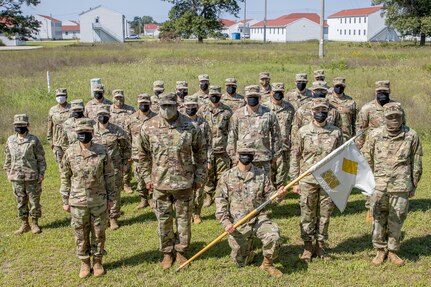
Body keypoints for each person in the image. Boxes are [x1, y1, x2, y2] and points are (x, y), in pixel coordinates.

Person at [136, 92, 207, 270]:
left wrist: (200, 177)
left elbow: (201, 153)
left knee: (183, 219)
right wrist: (146, 177)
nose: (167, 110)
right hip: (159, 182)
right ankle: (167, 252)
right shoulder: (148, 127)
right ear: (158, 107)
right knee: (164, 219)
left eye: (170, 106)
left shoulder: (190, 126)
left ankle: (182, 251)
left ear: (177, 106)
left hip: (184, 182)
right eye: (163, 107)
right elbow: (143, 155)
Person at [363, 102, 422, 267]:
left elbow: (416, 162)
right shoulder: (374, 135)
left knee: (397, 218)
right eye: (390, 117)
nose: (394, 119)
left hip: (401, 186)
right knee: (378, 218)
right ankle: (380, 250)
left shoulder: (411, 135)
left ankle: (393, 251)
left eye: (397, 116)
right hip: (379, 185)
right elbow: (367, 160)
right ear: (384, 118)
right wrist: (368, 186)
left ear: (402, 116)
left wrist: (413, 185)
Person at [215, 142, 284, 278]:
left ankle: (267, 263)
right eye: (243, 154)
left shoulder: (261, 174)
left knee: (274, 236)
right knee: (240, 262)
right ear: (237, 155)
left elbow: (270, 196)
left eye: (249, 154)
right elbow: (220, 202)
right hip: (238, 223)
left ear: (253, 155)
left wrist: (278, 195)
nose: (246, 156)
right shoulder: (227, 177)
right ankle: (247, 250)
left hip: (258, 218)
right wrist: (226, 223)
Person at [60, 118, 116, 278]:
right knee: (80, 233)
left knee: (99, 232)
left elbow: (109, 175)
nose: (84, 135)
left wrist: (111, 198)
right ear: (76, 134)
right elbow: (65, 177)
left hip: (98, 200)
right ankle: (84, 263)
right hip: (77, 201)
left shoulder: (101, 150)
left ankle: (97, 262)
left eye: (87, 132)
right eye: (80, 133)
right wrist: (65, 199)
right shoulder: (70, 152)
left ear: (92, 133)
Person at [290, 98, 343, 262]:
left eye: (324, 110)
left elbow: (341, 157)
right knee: (307, 213)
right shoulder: (303, 131)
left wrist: (339, 180)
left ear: (328, 113)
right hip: (307, 177)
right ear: (312, 112)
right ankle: (307, 246)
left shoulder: (335, 132)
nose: (320, 113)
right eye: (317, 110)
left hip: (329, 177)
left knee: (325, 214)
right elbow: (295, 155)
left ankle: (320, 245)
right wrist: (295, 180)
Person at [356, 80, 405, 221]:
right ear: (375, 92)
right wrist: (360, 149)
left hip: (394, 150)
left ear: (389, 92)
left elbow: (403, 127)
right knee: (371, 179)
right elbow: (360, 130)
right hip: (372, 151)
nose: (382, 94)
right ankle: (370, 207)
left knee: (391, 178)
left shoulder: (397, 107)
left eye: (385, 92)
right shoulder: (367, 109)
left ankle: (392, 204)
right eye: (379, 92)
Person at [4, 114, 46, 235]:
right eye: (17, 125)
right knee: (20, 201)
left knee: (34, 201)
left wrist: (41, 173)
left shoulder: (34, 140)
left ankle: (34, 223)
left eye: (22, 125)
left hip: (32, 176)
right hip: (16, 177)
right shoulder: (10, 140)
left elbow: (41, 159)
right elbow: (7, 157)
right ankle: (24, 224)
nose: (19, 127)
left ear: (28, 125)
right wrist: (8, 172)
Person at [227, 85, 281, 178]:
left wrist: (275, 155)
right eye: (250, 97)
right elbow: (232, 137)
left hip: (263, 158)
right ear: (245, 98)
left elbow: (276, 136)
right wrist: (234, 157)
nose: (253, 99)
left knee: (265, 187)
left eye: (255, 97)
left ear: (260, 98)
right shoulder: (237, 115)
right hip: (243, 159)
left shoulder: (269, 114)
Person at [93, 107, 131, 230]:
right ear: (96, 117)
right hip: (97, 168)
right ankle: (102, 217)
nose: (102, 117)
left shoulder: (117, 130)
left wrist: (125, 163)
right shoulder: (91, 131)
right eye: (100, 114)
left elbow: (126, 147)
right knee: (99, 192)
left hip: (114, 166)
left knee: (114, 192)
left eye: (105, 115)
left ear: (109, 116)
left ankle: (113, 218)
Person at [199, 85, 233, 209]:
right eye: (212, 95)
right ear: (208, 96)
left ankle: (220, 196)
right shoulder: (202, 110)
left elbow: (232, 130)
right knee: (208, 174)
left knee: (222, 175)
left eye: (217, 95)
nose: (214, 97)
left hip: (222, 148)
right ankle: (209, 196)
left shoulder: (227, 111)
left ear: (220, 96)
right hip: (206, 148)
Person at [183, 94, 212, 222]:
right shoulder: (180, 123)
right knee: (186, 189)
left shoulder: (203, 123)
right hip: (185, 162)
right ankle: (187, 213)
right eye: (188, 106)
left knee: (199, 188)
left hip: (200, 161)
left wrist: (209, 160)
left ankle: (197, 213)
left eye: (193, 106)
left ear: (197, 106)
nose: (190, 108)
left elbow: (210, 143)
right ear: (184, 107)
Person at [128, 94, 157, 209]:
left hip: (153, 153)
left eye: (146, 103)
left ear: (150, 104)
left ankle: (152, 198)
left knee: (153, 176)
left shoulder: (156, 118)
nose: (143, 105)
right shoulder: (131, 119)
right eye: (141, 103)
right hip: (137, 154)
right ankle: (143, 199)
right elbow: (128, 137)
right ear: (137, 104)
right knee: (140, 178)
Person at [264, 83, 295, 188]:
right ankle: (270, 192)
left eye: (280, 92)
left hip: (284, 145)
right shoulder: (264, 108)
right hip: (269, 145)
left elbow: (293, 126)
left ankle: (281, 192)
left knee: (283, 170)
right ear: (271, 93)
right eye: (276, 92)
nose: (278, 94)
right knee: (269, 170)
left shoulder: (289, 108)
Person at [109, 89, 135, 194]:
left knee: (127, 163)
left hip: (127, 140)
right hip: (113, 141)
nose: (119, 100)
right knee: (114, 164)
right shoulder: (108, 110)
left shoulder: (130, 110)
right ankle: (116, 184)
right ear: (113, 98)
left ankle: (126, 184)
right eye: (116, 98)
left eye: (120, 97)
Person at [47, 88, 71, 169]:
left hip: (69, 141)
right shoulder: (52, 110)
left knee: (71, 163)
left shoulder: (72, 108)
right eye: (58, 96)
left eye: (62, 95)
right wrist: (50, 141)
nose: (60, 97)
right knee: (61, 165)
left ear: (66, 96)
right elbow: (50, 126)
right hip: (57, 142)